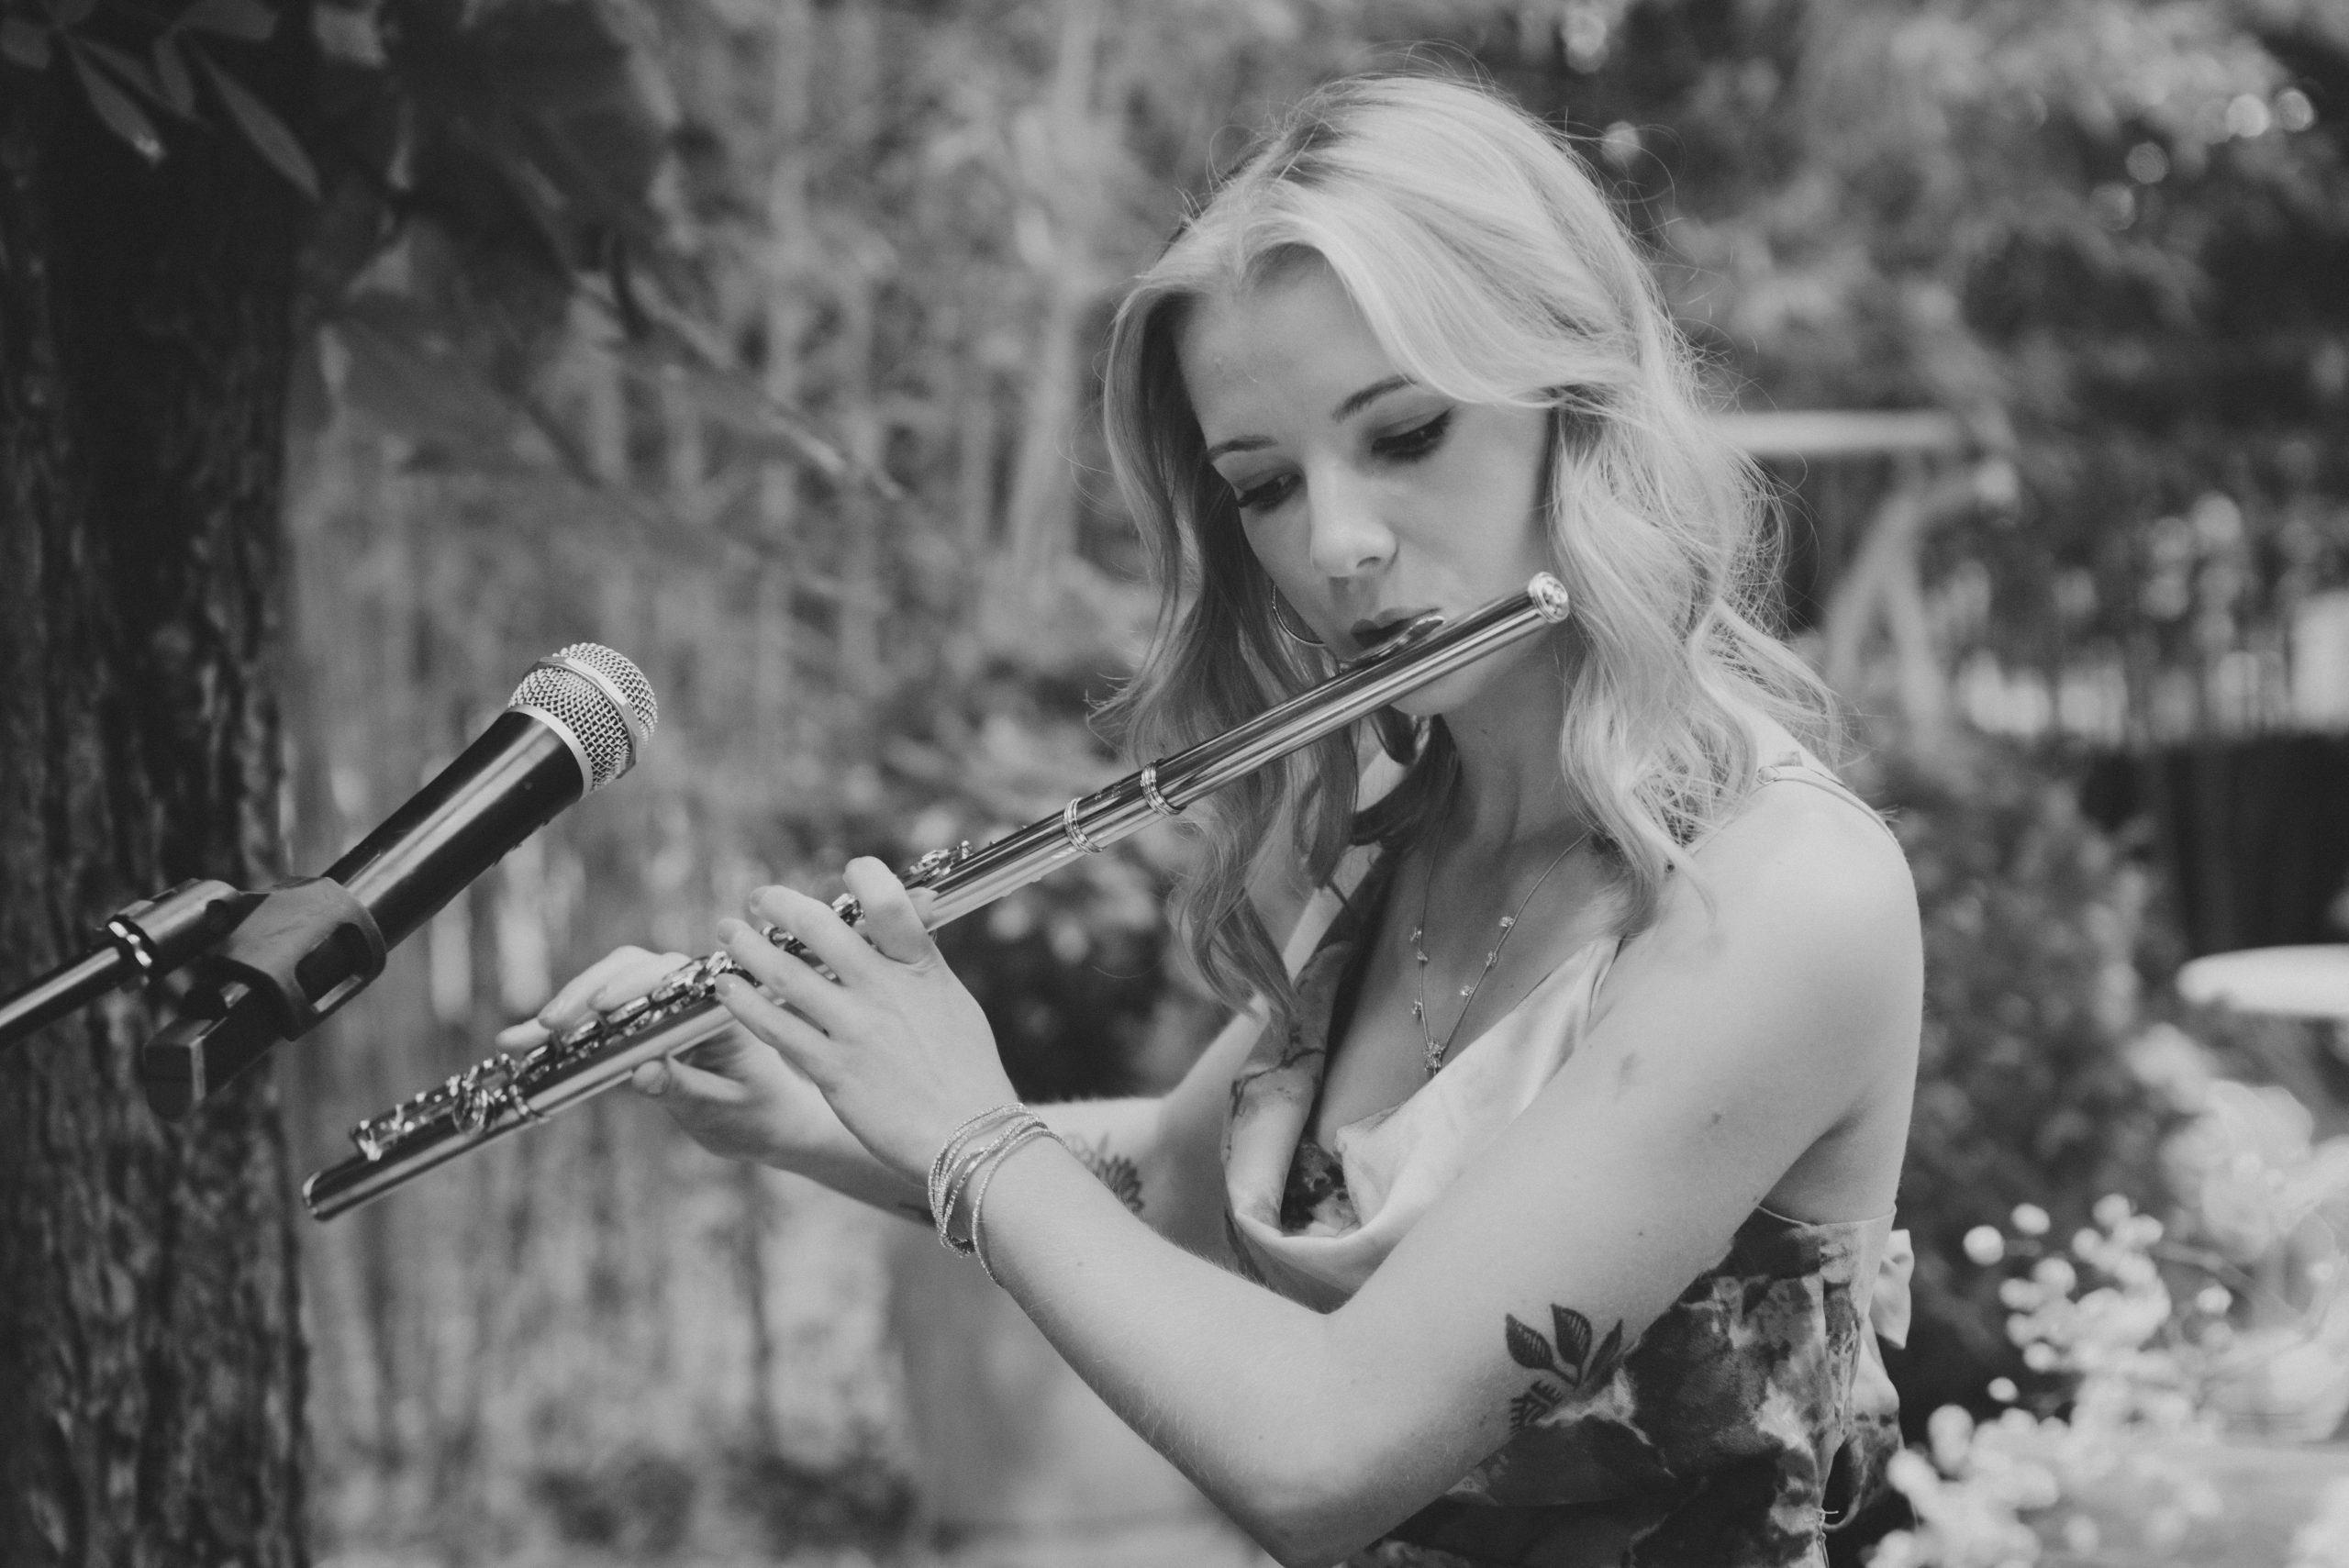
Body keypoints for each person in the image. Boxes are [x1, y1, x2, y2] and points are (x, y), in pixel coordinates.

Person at [510, 73, 1920, 1568]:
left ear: (1576, 403)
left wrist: (968, 1129)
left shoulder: (1781, 898)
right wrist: (814, 1104)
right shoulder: (1394, 827)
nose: (1339, 544)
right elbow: (1185, 1176)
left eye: (1407, 433)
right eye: (1262, 485)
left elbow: (1326, 1457)